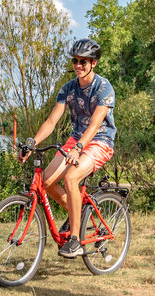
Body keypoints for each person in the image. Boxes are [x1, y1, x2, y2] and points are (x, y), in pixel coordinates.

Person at [22, 37, 117, 258]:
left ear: (93, 63)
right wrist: (32, 143)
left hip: (100, 140)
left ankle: (75, 240)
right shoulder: (68, 89)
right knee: (45, 182)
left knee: (71, 177)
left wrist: (80, 147)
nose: (78, 65)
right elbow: (52, 120)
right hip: (75, 140)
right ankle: (79, 214)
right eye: (75, 60)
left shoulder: (104, 88)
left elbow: (95, 124)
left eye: (83, 61)